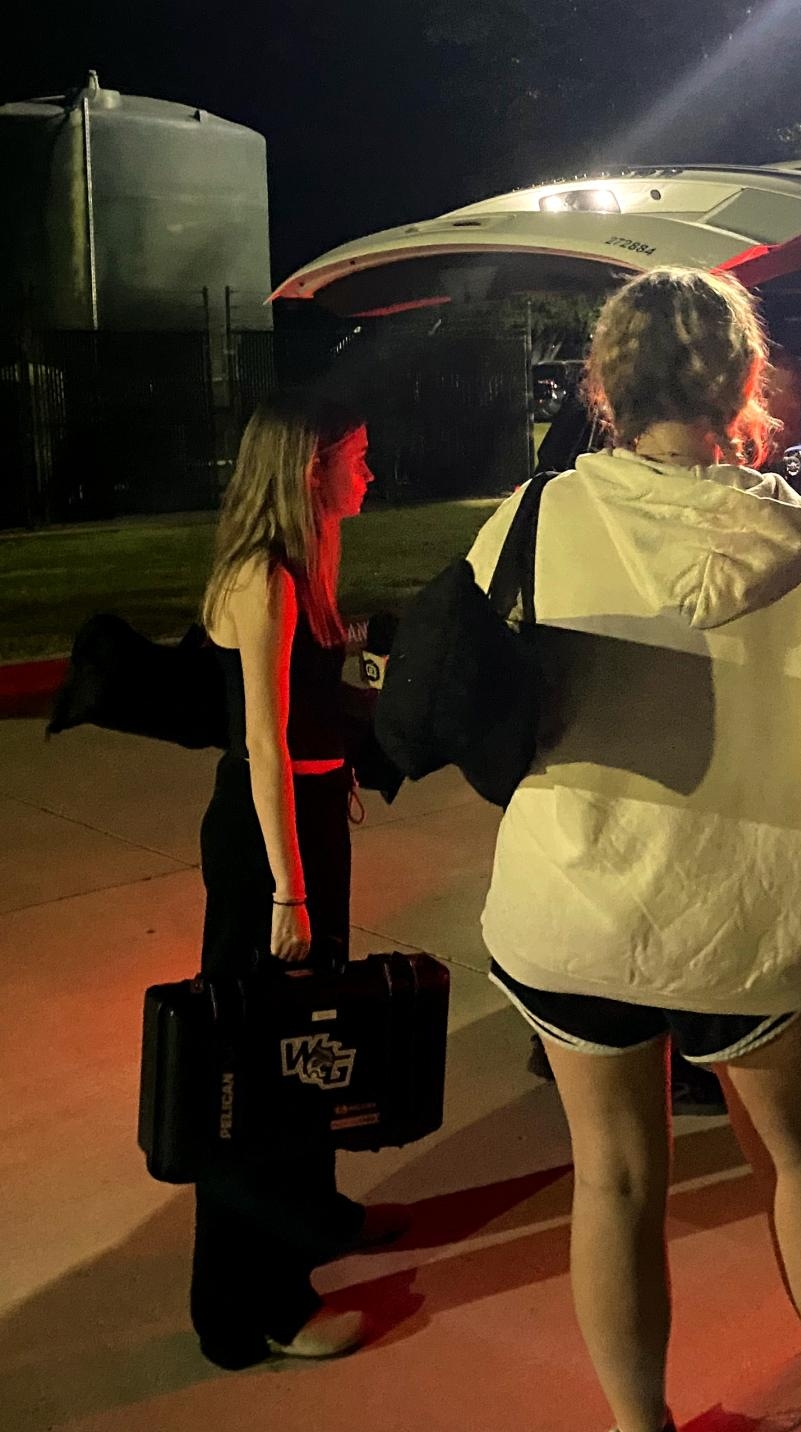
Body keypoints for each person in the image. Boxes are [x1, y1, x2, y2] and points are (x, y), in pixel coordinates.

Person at [468, 266, 801, 1432]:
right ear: (741, 384)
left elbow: (481, 704)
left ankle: (641, 1426)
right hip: (743, 917)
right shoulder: (792, 532)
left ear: (605, 386)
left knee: (614, 1180)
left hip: (568, 908)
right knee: (799, 1161)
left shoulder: (528, 520)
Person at [191, 392, 408, 1368]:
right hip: (268, 840)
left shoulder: (307, 569)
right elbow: (262, 747)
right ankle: (256, 1307)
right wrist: (290, 890)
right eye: (356, 457)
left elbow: (315, 716)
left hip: (310, 825)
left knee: (312, 1040)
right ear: (308, 466)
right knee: (261, 1063)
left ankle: (311, 1218)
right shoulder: (265, 578)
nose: (369, 472)